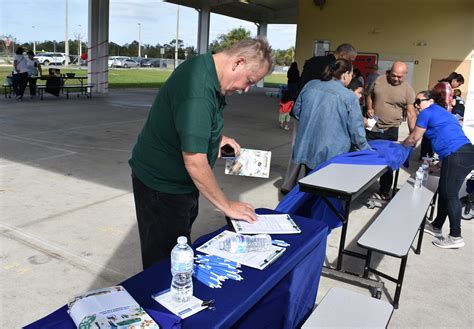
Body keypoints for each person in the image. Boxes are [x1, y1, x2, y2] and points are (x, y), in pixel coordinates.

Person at [129, 38, 273, 269]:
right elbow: (194, 162)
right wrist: (226, 206)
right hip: (162, 188)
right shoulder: (198, 89)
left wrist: (217, 137)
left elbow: (191, 120)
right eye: (249, 81)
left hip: (179, 186)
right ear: (238, 62)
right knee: (164, 265)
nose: (246, 89)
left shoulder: (209, 70)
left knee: (177, 249)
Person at [403, 90, 474, 249]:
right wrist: (438, 165)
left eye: (418, 101)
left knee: (450, 194)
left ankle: (455, 236)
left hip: (456, 155)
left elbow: (414, 137)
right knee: (444, 190)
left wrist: (400, 149)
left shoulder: (427, 112)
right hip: (465, 153)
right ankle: (436, 226)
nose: (416, 105)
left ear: (431, 100)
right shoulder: (443, 113)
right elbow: (448, 139)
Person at [292, 59, 371, 175]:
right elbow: (356, 131)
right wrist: (367, 150)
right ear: (345, 75)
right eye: (351, 75)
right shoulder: (349, 97)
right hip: (333, 154)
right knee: (327, 188)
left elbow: (297, 111)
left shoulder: (310, 85)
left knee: (309, 184)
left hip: (308, 149)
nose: (351, 78)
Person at [366, 61, 416, 199]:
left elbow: (411, 114)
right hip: (372, 126)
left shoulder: (407, 90)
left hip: (390, 130)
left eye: (399, 77)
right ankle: (361, 185)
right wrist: (369, 107)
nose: (396, 79)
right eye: (393, 75)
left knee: (388, 162)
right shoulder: (378, 80)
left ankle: (384, 189)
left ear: (405, 75)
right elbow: (369, 95)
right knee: (366, 156)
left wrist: (413, 135)